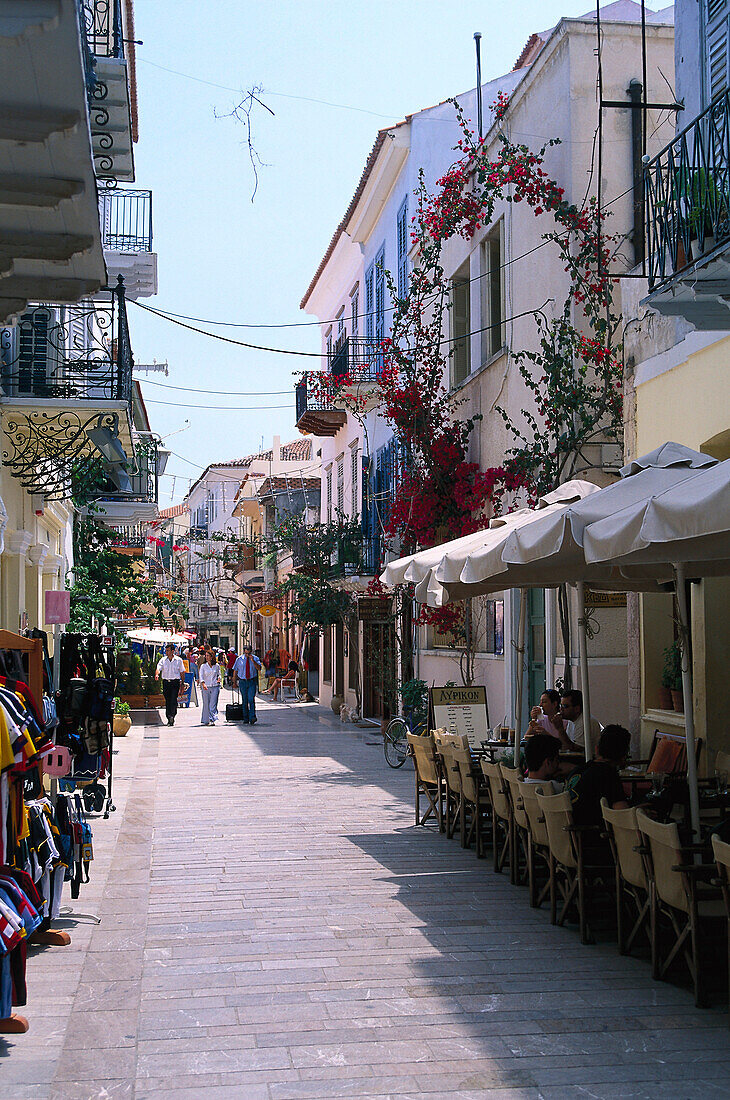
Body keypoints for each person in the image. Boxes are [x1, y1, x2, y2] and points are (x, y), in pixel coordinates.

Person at [566, 724, 631, 828]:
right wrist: (641, 812)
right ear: (624, 756)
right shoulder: (608, 775)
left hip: (572, 834)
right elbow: (622, 814)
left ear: (597, 749)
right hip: (594, 836)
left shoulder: (579, 770)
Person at [155, 643, 185, 726]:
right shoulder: (163, 660)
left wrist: (182, 682)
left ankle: (172, 716)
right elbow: (158, 668)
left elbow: (182, 671)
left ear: (173, 651)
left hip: (175, 682)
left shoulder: (179, 660)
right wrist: (157, 674)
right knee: (168, 700)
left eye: (168, 650)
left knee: (173, 699)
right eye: (166, 650)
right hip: (166, 682)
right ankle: (169, 716)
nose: (166, 652)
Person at [232, 645, 262, 725]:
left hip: (251, 681)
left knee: (251, 699)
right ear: (244, 650)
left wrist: (253, 661)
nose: (247, 652)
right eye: (246, 650)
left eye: (249, 650)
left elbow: (259, 668)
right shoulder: (239, 659)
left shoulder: (255, 658)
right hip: (242, 681)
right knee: (245, 700)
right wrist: (234, 682)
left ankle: (252, 717)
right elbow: (235, 670)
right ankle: (245, 717)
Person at [199, 649, 221, 726]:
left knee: (213, 703)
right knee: (206, 703)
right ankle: (206, 719)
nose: (206, 657)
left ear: (212, 657)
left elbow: (219, 674)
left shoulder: (216, 666)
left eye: (208, 656)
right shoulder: (203, 666)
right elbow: (201, 676)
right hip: (206, 686)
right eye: (206, 656)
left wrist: (219, 679)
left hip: (215, 686)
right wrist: (203, 683)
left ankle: (213, 718)